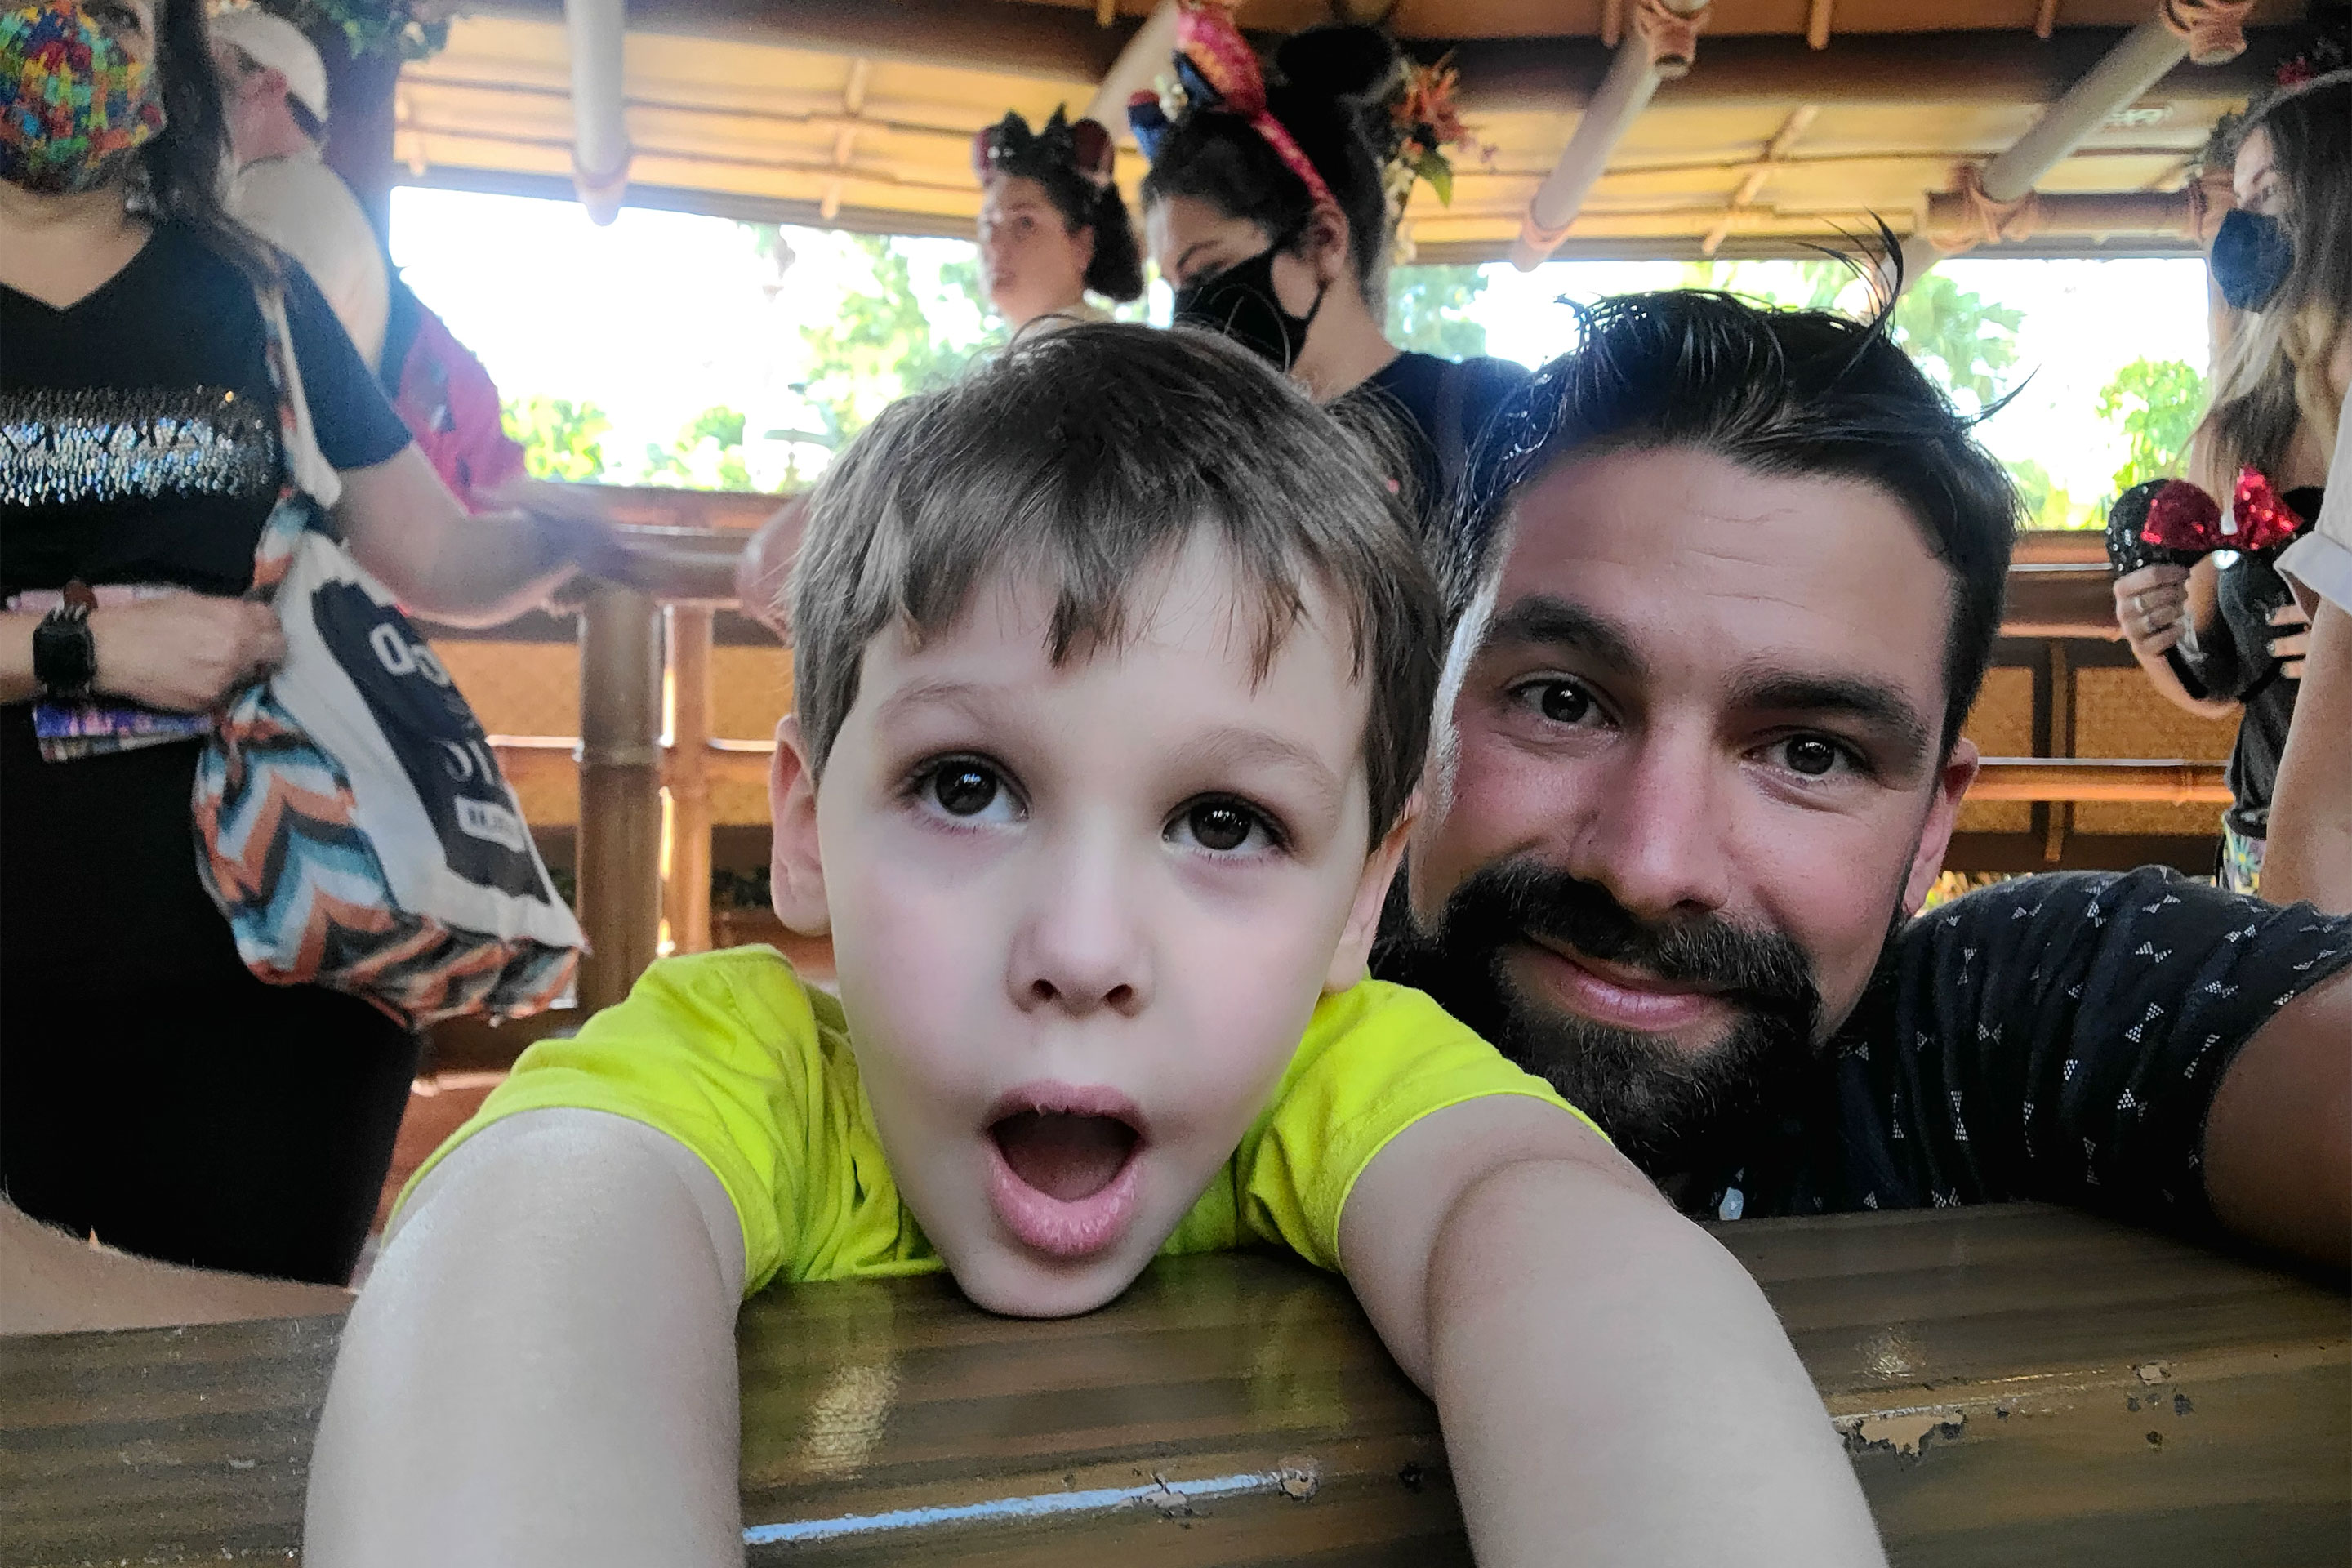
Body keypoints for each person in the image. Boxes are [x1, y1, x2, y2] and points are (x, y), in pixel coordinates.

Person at [305, 326, 1886, 1566]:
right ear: (805, 822)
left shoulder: (1341, 1073)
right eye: (969, 787)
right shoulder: (742, 1066)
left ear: (1359, 899)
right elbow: (529, 1265)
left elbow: (1571, 1258)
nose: (1081, 947)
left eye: (1221, 823)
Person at [1376, 288, 2350, 1269]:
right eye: (1562, 702)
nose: (1647, 865)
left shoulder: (1984, 1037)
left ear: (1933, 824)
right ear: (1417, 709)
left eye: (1810, 754)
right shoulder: (1257, 973)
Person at [2, 0, 612, 1285]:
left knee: (258, 1418)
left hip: (278, 970)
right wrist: (85, 651)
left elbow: (432, 551)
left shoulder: (255, 293)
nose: (60, 35)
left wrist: (565, 537)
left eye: (110, 8)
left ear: (169, 53)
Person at [1130, 15, 1526, 528]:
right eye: (1176, 289)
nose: (1187, 317)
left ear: (1324, 241)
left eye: (1206, 273)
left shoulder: (1489, 417)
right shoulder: (1214, 469)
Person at [2110, 72, 2351, 896]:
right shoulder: (2236, 434)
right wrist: (2158, 638)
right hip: (2265, 840)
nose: (2245, 230)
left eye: (2270, 194)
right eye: (2236, 204)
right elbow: (2222, 678)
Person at [209, 2, 390, 372]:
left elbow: (224, 337)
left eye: (203, 70)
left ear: (267, 85)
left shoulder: (286, 195)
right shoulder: (301, 192)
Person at [973, 105, 1143, 336]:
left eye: (1025, 223)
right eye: (988, 225)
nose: (994, 243)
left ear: (1083, 245)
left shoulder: (1101, 356)